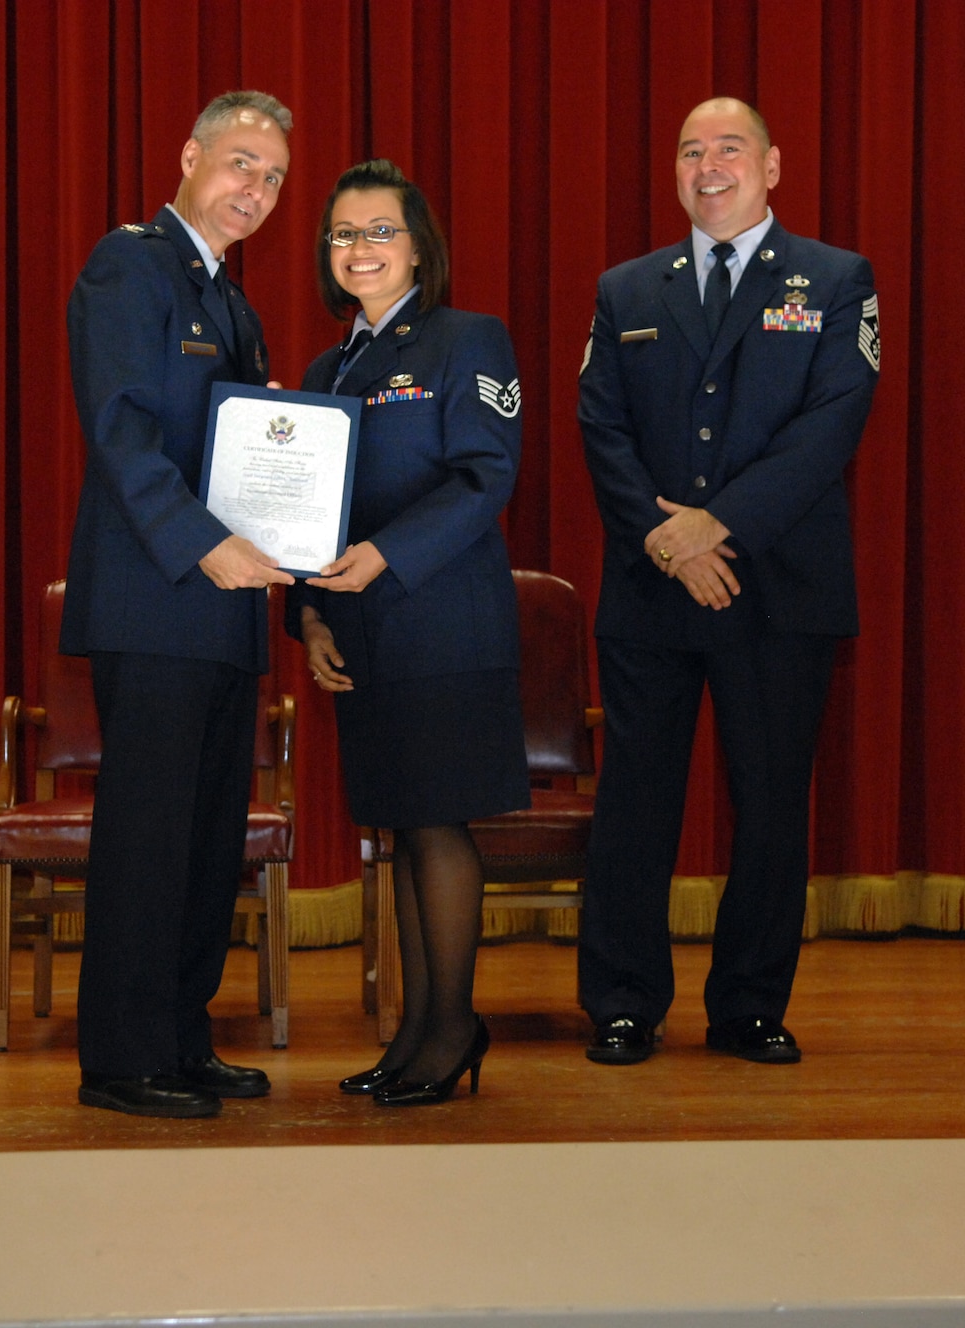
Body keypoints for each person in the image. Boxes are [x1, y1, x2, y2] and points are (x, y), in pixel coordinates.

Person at [575, 98, 880, 1067]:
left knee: (769, 802)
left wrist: (721, 525)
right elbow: (601, 428)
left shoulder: (834, 279)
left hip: (778, 588)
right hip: (650, 582)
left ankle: (748, 1004)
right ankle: (622, 1001)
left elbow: (830, 421)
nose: (708, 166)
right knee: (634, 804)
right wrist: (670, 540)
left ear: (771, 165)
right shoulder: (626, 289)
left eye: (729, 148)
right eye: (689, 151)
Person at [60, 91, 296, 1119]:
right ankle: (120, 1054)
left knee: (205, 843)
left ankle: (180, 1036)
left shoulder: (229, 302)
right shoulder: (129, 266)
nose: (256, 189)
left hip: (223, 610)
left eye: (274, 177)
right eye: (242, 163)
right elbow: (119, 433)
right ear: (191, 153)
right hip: (159, 598)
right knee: (148, 836)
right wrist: (209, 543)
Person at [291, 159, 529, 1106]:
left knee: (438, 823)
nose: (360, 249)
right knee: (399, 826)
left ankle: (452, 1031)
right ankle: (416, 1034)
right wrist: (307, 615)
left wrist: (385, 555)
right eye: (343, 234)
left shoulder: (469, 340)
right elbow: (305, 513)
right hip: (360, 634)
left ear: (420, 247)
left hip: (445, 625)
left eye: (379, 230)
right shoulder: (322, 369)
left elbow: (484, 476)